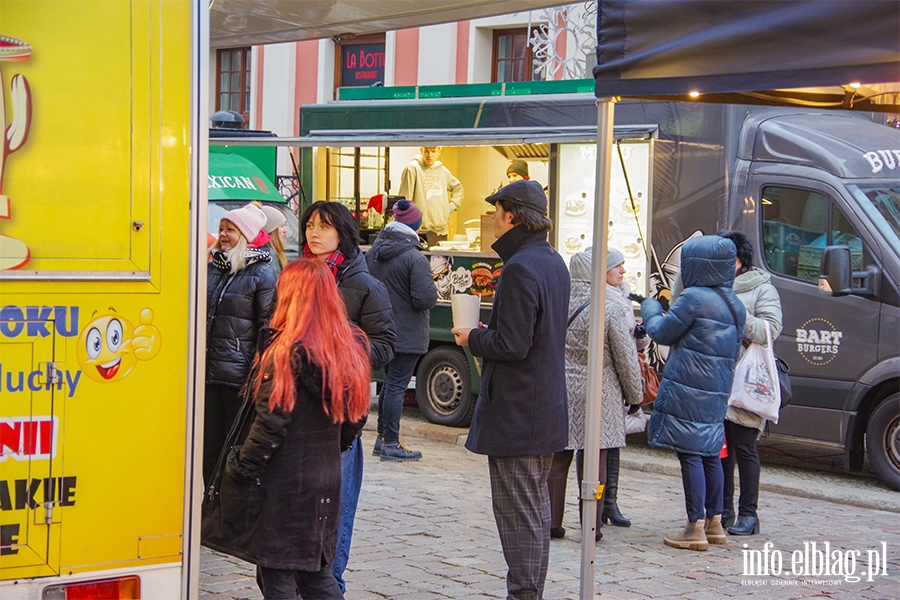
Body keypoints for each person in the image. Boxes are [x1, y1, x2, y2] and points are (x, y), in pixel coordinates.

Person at [206, 259, 371, 599]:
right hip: (324, 477)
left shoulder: (285, 353)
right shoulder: (347, 350)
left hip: (286, 485)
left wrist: (240, 469)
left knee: (278, 575)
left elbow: (270, 424)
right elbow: (356, 417)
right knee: (315, 574)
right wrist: (329, 449)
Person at [451, 179, 569, 600]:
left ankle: (524, 594)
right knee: (533, 512)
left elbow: (513, 345)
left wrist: (473, 337)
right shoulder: (551, 260)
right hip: (541, 408)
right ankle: (527, 592)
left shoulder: (521, 267)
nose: (492, 220)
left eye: (496, 212)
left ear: (512, 216)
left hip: (521, 412)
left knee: (520, 516)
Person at [298, 200, 395, 593]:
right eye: (308, 226)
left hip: (339, 410)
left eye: (323, 226)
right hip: (296, 407)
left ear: (343, 232)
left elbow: (386, 346)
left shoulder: (364, 284)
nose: (313, 233)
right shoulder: (297, 275)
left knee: (335, 508)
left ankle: (329, 583)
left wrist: (339, 351)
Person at [640, 235, 745, 552]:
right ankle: (715, 523)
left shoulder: (694, 298)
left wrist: (650, 307)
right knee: (711, 453)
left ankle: (694, 527)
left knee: (690, 455)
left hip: (688, 386)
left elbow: (661, 332)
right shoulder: (734, 303)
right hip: (716, 389)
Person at [547, 249, 643, 543]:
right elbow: (625, 360)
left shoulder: (556, 303)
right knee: (595, 463)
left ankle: (552, 522)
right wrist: (635, 395)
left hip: (561, 389)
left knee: (558, 460)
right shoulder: (608, 309)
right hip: (600, 394)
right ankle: (592, 526)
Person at [205, 203, 278, 485]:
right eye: (222, 228)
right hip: (209, 374)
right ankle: (209, 507)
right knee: (208, 451)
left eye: (230, 230)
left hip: (239, 378)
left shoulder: (262, 273)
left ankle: (229, 507)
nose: (223, 235)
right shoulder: (215, 268)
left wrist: (258, 374)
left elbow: (267, 327)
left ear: (246, 235)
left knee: (232, 448)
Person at [718, 230, 783, 536]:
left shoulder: (761, 288)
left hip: (746, 380)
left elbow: (770, 330)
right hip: (716, 377)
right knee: (720, 450)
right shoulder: (712, 283)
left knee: (744, 448)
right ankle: (723, 511)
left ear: (739, 260)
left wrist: (734, 308)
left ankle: (749, 514)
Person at [366, 199, 438, 461]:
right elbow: (424, 299)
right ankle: (391, 443)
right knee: (396, 386)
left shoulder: (374, 252)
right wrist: (435, 287)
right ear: (415, 226)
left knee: (388, 385)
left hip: (380, 330)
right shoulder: (414, 258)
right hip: (407, 333)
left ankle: (382, 439)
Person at [602, 248, 650, 528]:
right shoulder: (604, 301)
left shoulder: (622, 297)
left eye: (623, 265)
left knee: (616, 441)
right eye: (616, 266)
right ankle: (600, 503)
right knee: (600, 443)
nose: (622, 271)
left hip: (623, 376)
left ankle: (611, 503)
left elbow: (632, 345)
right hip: (609, 378)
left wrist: (642, 337)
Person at [397, 147, 464, 247]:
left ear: (439, 152)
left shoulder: (443, 171)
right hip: (420, 231)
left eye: (433, 151)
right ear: (421, 150)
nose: (429, 155)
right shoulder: (412, 168)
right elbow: (405, 201)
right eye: (427, 151)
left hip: (441, 232)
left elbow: (458, 189)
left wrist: (450, 207)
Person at [259, 203, 289, 272]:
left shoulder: (263, 254)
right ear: (271, 230)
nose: (285, 230)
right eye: (282, 226)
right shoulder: (269, 256)